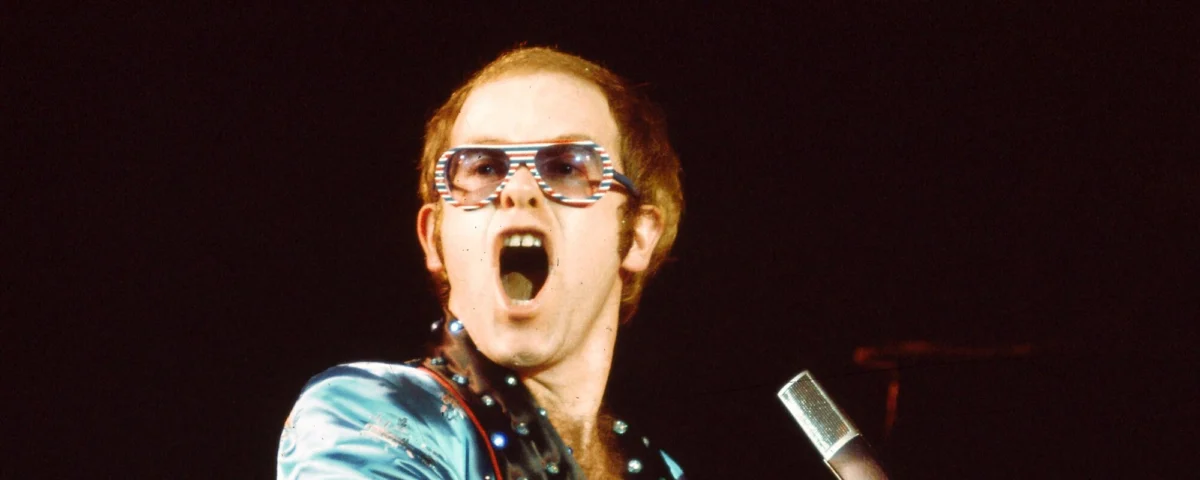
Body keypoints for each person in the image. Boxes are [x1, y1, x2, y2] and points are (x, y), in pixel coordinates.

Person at [277, 46, 685, 479]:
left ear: (638, 235)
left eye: (566, 168)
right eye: (485, 168)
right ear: (434, 239)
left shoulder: (659, 471)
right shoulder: (365, 416)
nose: (519, 189)